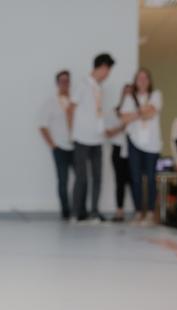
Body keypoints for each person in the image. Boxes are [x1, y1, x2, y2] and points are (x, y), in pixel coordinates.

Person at [70, 53, 115, 222]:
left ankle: (94, 212)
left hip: (97, 139)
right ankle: (76, 213)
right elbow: (70, 109)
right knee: (81, 178)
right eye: (108, 70)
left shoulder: (99, 87)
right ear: (102, 67)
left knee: (98, 177)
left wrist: (103, 129)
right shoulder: (82, 84)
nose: (108, 74)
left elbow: (96, 112)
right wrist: (72, 132)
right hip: (81, 138)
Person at [120, 68, 163, 226]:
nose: (143, 81)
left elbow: (151, 113)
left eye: (145, 78)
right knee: (136, 179)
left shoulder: (156, 95)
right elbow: (123, 119)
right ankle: (138, 212)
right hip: (134, 141)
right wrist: (142, 112)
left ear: (149, 80)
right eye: (139, 78)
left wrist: (134, 114)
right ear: (135, 81)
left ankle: (150, 213)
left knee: (151, 178)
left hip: (152, 143)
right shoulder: (129, 98)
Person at [38, 70, 74, 220]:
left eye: (67, 81)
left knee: (81, 180)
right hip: (59, 147)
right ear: (57, 83)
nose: (64, 83)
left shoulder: (74, 101)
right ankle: (66, 211)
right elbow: (42, 126)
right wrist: (52, 145)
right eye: (62, 81)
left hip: (76, 147)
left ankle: (79, 209)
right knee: (63, 180)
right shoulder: (51, 102)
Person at [105, 84, 133, 221]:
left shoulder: (137, 113)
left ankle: (139, 211)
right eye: (125, 93)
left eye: (130, 93)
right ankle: (119, 211)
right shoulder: (113, 112)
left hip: (133, 149)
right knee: (119, 181)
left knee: (134, 181)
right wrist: (122, 126)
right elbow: (108, 133)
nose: (127, 96)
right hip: (118, 149)